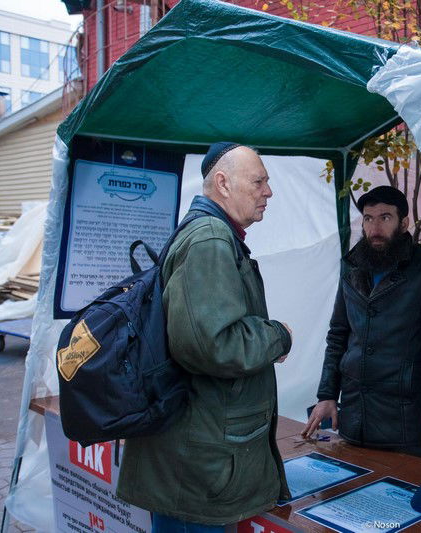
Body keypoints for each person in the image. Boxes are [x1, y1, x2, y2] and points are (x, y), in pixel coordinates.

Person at [117, 143, 293, 532]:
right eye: (259, 181)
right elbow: (212, 345)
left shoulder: (210, 234)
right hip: (197, 468)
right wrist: (278, 336)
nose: (268, 192)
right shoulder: (210, 239)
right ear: (223, 183)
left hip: (197, 459)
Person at [302, 185, 421, 466]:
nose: (375, 227)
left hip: (404, 420)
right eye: (368, 218)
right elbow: (339, 333)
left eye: (385, 217)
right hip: (354, 415)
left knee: (403, 500)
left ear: (403, 223)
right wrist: (327, 394)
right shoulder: (352, 267)